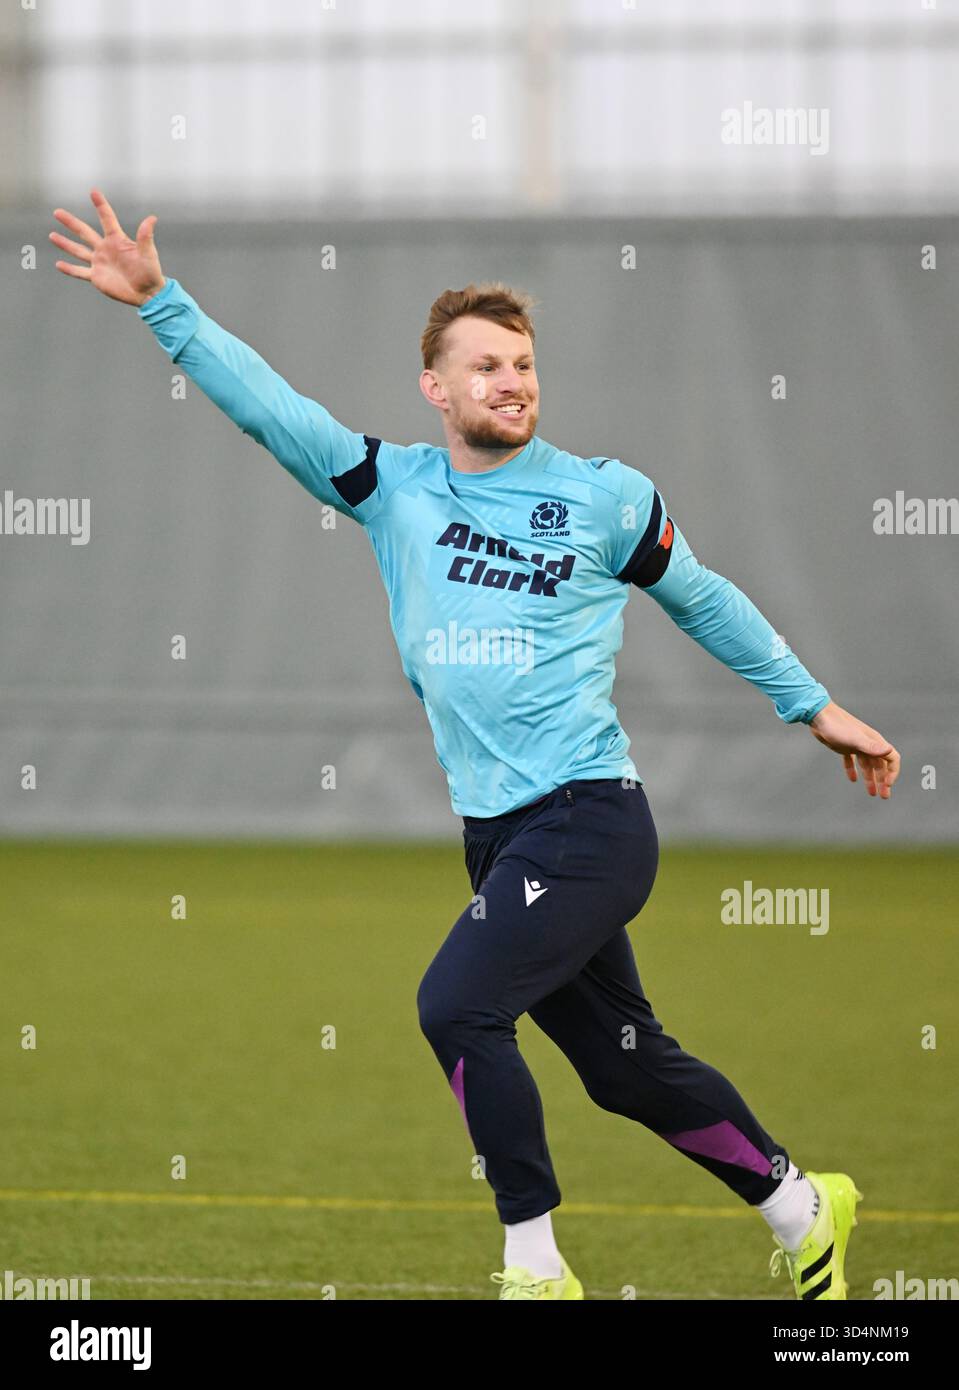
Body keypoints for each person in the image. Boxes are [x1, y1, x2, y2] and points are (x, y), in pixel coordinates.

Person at [51, 189, 900, 1301]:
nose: (511, 381)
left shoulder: (601, 497)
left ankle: (533, 1266)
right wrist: (162, 304)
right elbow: (268, 408)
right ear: (435, 388)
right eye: (487, 365)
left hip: (591, 818)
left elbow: (704, 599)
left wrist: (811, 704)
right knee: (620, 1064)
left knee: (454, 1005)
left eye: (523, 364)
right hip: (498, 838)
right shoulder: (391, 486)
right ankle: (802, 1207)